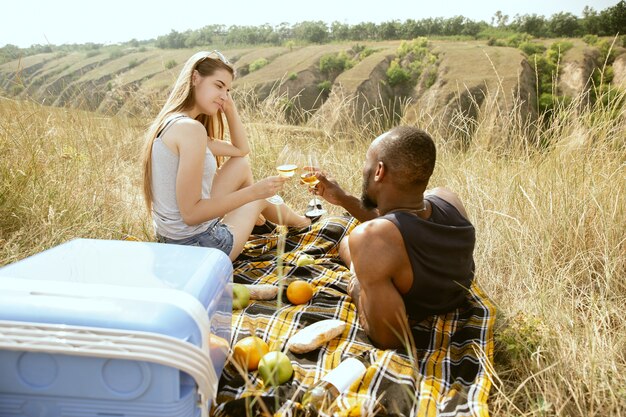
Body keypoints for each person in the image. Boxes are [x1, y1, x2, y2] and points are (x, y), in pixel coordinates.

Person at [313, 126, 475, 349]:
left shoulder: (371, 238)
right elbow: (401, 218)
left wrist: (357, 283)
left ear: (379, 171)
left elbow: (390, 338)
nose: (364, 168)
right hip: (454, 297)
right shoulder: (448, 198)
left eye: (366, 162)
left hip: (414, 311)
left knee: (350, 243)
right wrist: (342, 198)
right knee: (348, 243)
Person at [141, 50, 312, 261]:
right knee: (261, 196)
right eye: (218, 85)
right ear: (195, 78)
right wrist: (254, 193)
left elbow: (241, 151)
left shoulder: (174, 122)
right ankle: (302, 224)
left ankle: (262, 223)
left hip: (173, 241)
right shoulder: (190, 130)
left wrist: (229, 108)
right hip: (200, 247)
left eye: (228, 90)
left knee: (241, 165)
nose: (224, 95)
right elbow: (191, 214)